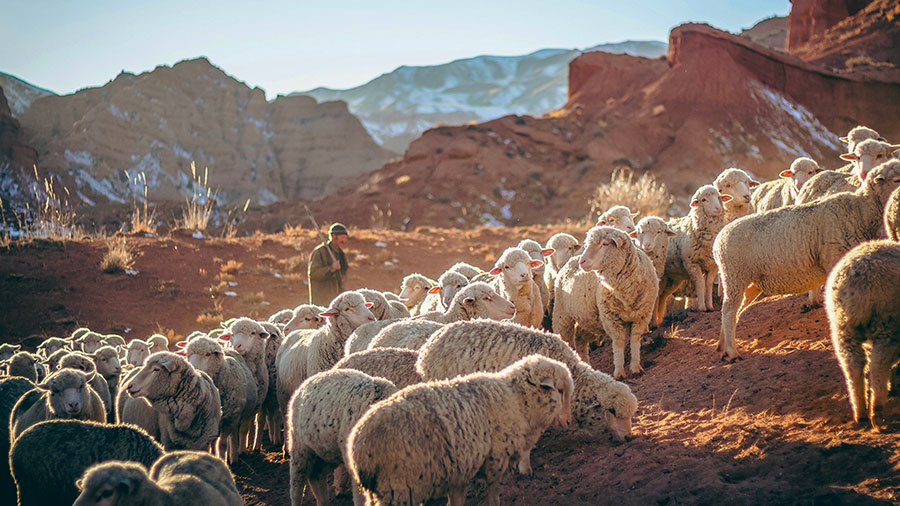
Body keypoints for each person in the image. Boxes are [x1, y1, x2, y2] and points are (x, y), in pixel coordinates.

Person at [307, 222, 349, 305]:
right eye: (342, 238)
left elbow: (343, 275)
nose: (344, 241)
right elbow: (313, 273)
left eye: (345, 238)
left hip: (336, 301)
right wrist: (331, 269)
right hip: (321, 300)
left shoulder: (341, 254)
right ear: (333, 236)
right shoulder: (320, 252)